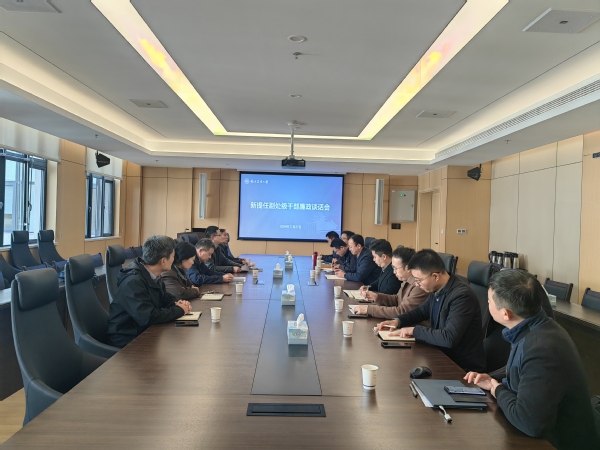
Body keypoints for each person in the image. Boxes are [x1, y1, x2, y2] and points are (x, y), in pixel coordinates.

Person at [465, 270, 600, 450]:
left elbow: (529, 422)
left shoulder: (541, 348)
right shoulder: (535, 327)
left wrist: (496, 389)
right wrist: (492, 378)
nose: (487, 303)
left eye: (489, 301)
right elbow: (523, 369)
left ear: (505, 314)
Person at [376, 249, 485, 372]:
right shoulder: (437, 289)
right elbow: (421, 312)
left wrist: (414, 330)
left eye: (418, 280)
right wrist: (398, 321)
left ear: (435, 276)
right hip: (441, 355)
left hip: (461, 368)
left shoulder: (462, 296)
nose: (416, 284)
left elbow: (448, 338)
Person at [107, 235, 192, 348]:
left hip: (143, 331)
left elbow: (164, 297)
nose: (174, 260)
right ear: (163, 261)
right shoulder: (133, 281)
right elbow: (147, 317)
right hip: (128, 339)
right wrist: (179, 310)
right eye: (173, 256)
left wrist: (176, 303)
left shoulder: (151, 274)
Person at [353, 247, 428, 319]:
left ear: (408, 268)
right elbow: (397, 300)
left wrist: (369, 310)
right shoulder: (407, 280)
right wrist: (377, 297)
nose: (394, 272)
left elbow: (402, 312)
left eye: (395, 268)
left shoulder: (419, 286)